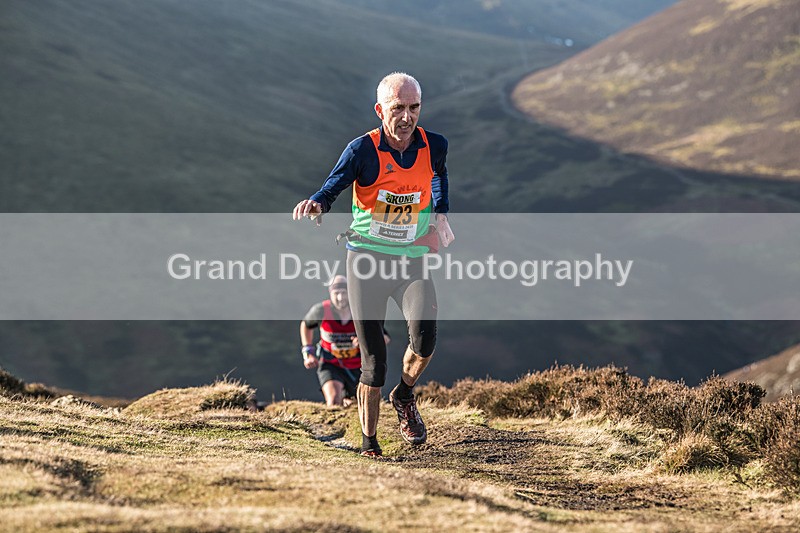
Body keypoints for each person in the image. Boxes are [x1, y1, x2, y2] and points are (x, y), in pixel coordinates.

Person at [293, 72, 454, 457]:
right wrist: (318, 203)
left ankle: (404, 396)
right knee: (373, 364)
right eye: (398, 108)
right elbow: (333, 185)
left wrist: (440, 213)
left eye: (414, 107)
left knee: (425, 340)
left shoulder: (435, 145)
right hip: (366, 262)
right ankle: (370, 443)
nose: (407, 116)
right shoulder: (361, 150)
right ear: (380, 110)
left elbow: (438, 175)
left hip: (411, 259)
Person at [300, 275, 389, 407]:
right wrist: (308, 352)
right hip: (331, 363)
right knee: (334, 400)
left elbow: (385, 338)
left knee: (362, 404)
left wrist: (365, 340)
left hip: (359, 366)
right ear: (330, 293)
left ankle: (348, 400)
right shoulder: (321, 310)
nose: (340, 298)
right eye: (336, 293)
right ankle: (338, 406)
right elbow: (306, 325)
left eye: (344, 293)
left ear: (351, 293)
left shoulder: (361, 311)